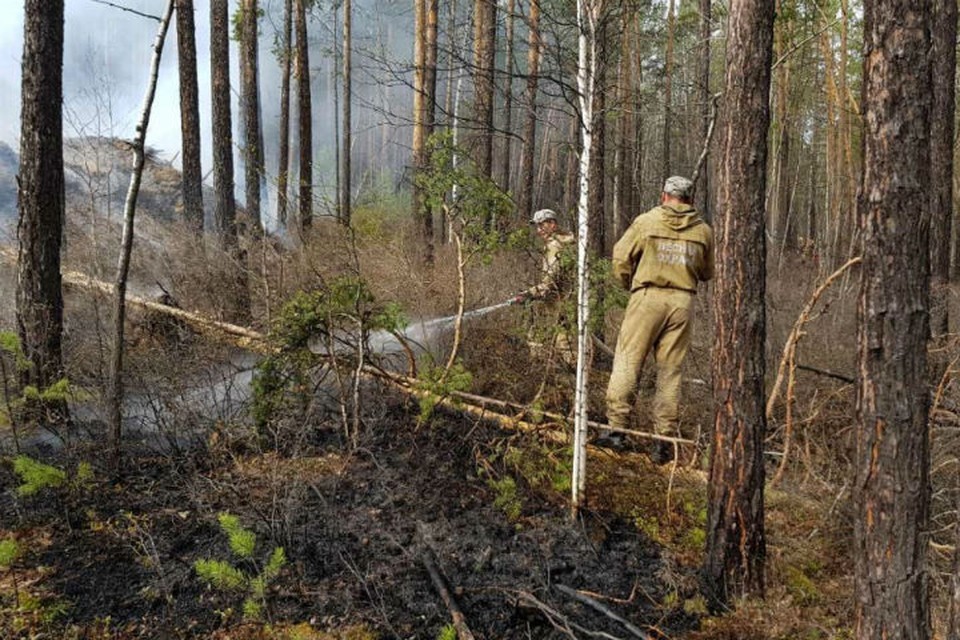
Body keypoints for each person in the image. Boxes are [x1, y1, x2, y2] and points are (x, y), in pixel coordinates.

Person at [602, 176, 714, 461]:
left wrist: (629, 285)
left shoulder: (646, 222)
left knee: (628, 360)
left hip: (647, 296)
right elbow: (707, 272)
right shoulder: (703, 231)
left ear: (664, 196)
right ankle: (663, 441)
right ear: (690, 199)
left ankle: (616, 430)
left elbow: (620, 257)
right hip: (682, 302)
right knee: (670, 371)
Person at [512, 208, 577, 366]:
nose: (539, 230)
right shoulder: (564, 242)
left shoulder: (555, 246)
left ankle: (546, 371)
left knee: (547, 339)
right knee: (562, 340)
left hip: (559, 301)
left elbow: (550, 281)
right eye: (537, 226)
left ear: (552, 224)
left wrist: (528, 294)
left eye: (542, 225)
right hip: (564, 300)